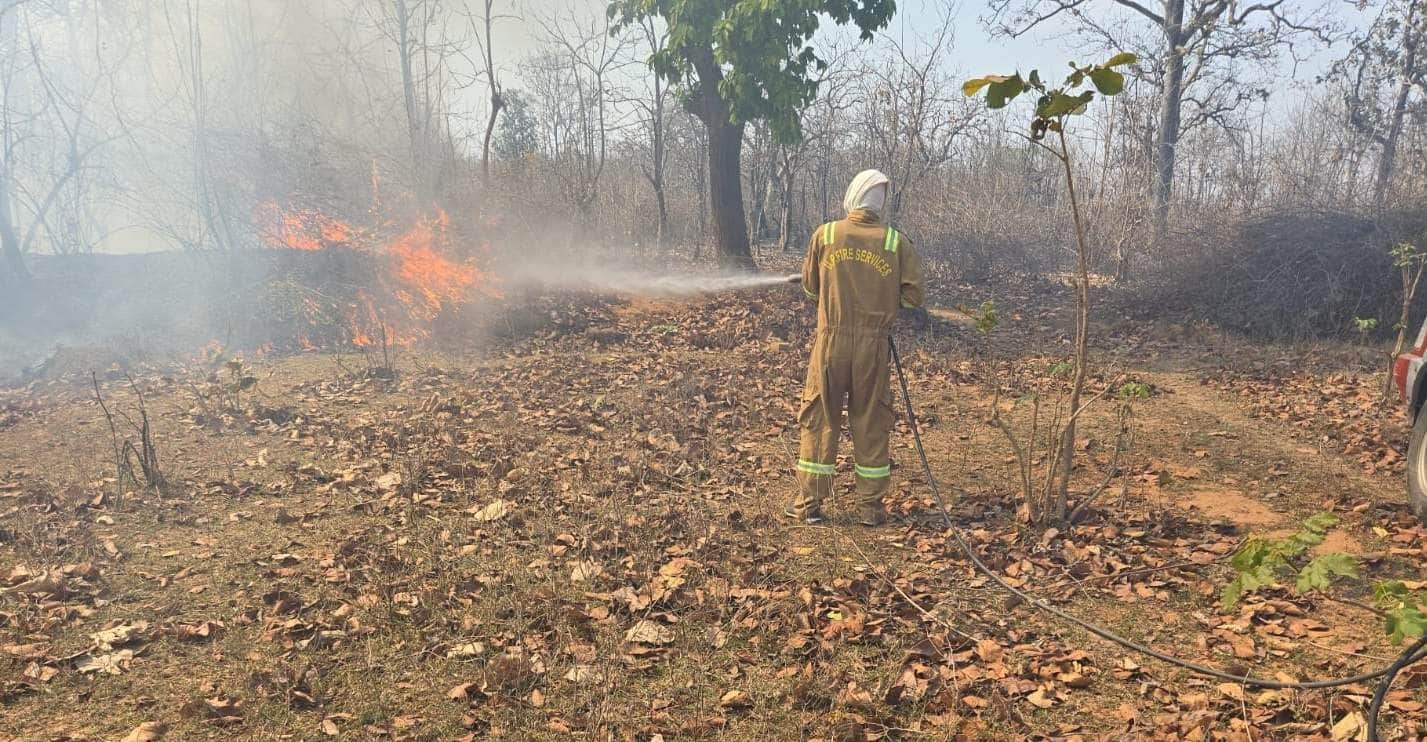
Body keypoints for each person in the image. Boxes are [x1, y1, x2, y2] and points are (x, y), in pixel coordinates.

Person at [789, 169, 924, 526]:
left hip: (830, 343)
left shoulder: (827, 234)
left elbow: (809, 289)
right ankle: (871, 509)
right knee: (871, 422)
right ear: (879, 203)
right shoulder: (895, 242)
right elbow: (913, 297)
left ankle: (809, 506)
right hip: (873, 349)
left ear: (853, 196)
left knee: (820, 417)